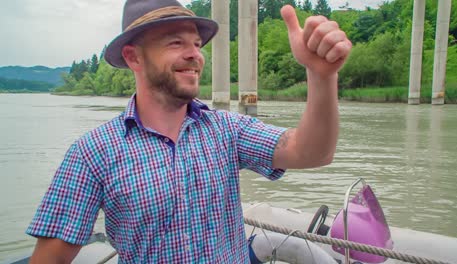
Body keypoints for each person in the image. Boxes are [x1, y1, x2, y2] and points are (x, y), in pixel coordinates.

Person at [26, 0, 352, 263]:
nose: (195, 54)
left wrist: (320, 75)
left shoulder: (225, 129)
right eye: (176, 42)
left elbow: (312, 152)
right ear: (133, 56)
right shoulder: (93, 153)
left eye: (197, 43)